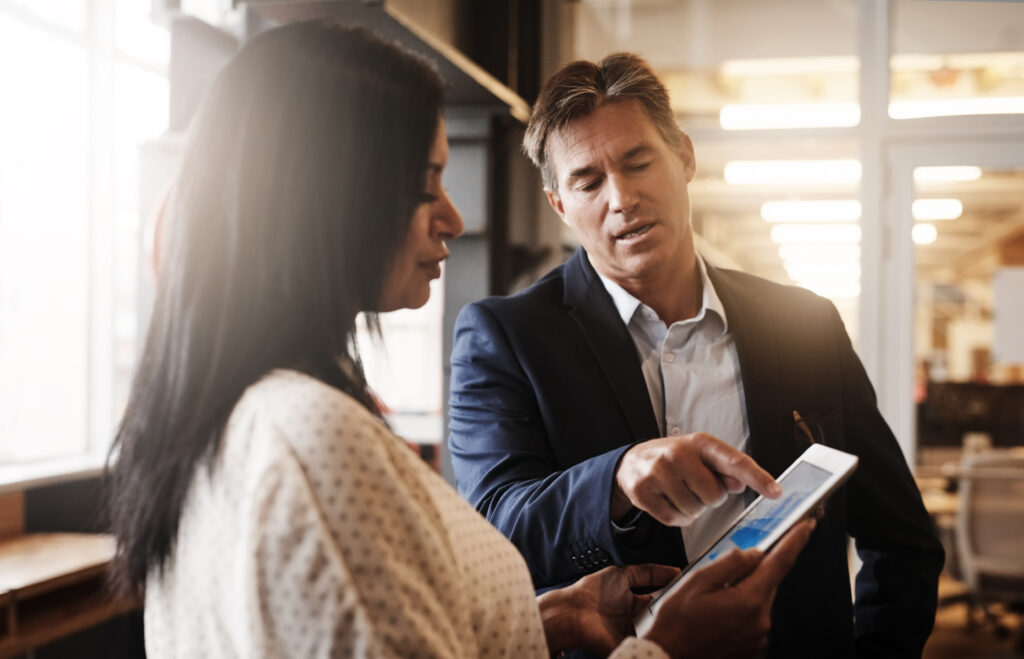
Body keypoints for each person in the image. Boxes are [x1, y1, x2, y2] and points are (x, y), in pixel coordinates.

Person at [105, 21, 815, 658]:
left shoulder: (253, 413)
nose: (452, 216)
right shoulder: (310, 435)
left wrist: (538, 623)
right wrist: (667, 648)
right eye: (426, 184)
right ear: (333, 197)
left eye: (637, 164)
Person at [449, 52, 945, 658]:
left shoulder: (805, 324)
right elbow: (497, 527)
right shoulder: (507, 337)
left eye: (638, 163)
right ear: (559, 204)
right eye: (589, 182)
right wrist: (617, 479)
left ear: (683, 156)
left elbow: (901, 538)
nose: (622, 198)